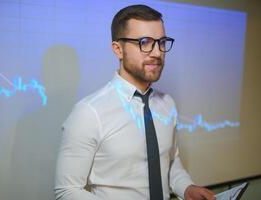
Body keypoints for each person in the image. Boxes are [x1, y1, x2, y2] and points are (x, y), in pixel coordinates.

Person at [55, 4, 216, 200]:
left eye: (162, 42)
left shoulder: (167, 104)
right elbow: (67, 191)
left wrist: (187, 188)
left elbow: (171, 162)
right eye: (145, 42)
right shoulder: (88, 113)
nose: (157, 53)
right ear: (118, 49)